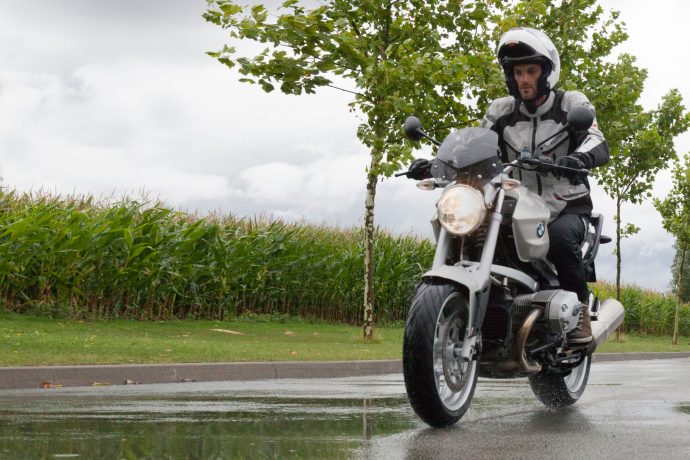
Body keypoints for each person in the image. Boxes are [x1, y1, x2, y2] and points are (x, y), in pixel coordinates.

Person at [408, 27, 609, 346]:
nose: (523, 79)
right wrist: (436, 162)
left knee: (558, 241)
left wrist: (578, 159)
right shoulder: (500, 110)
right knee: (474, 230)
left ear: (547, 72)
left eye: (530, 70)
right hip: (518, 203)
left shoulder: (571, 104)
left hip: (565, 205)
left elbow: (596, 140)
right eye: (517, 72)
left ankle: (580, 313)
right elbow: (473, 148)